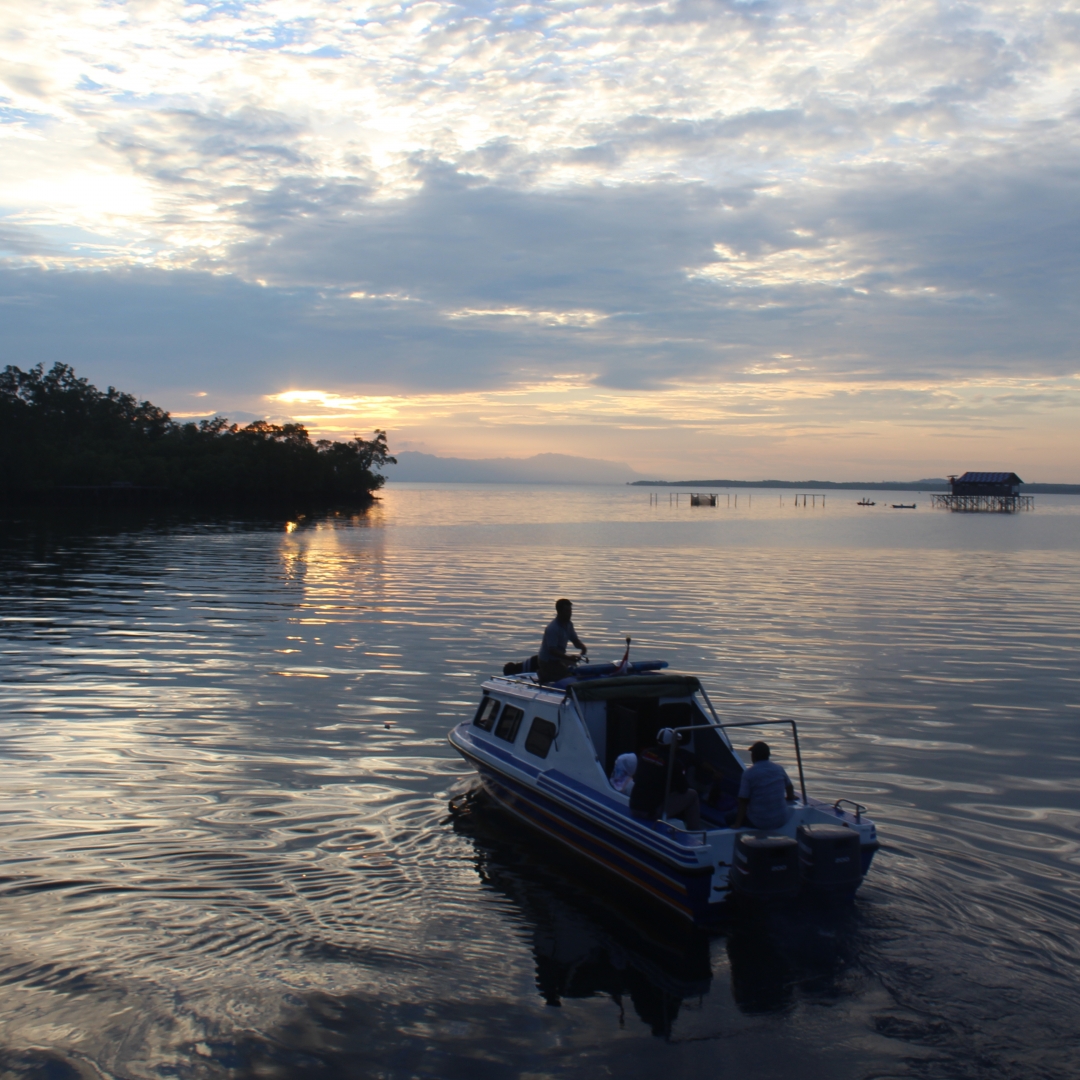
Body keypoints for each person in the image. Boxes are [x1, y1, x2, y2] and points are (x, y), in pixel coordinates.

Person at [629, 728, 702, 830]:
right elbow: (683, 789)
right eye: (677, 742)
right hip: (651, 812)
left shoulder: (646, 753)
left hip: (634, 806)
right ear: (672, 744)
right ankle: (695, 831)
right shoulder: (673, 763)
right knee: (692, 794)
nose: (678, 745)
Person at [732, 741, 795, 830]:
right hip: (782, 820)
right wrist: (790, 797)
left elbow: (743, 801)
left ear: (753, 756)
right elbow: (789, 787)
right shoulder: (779, 769)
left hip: (760, 822)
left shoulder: (748, 774)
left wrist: (737, 823)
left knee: (729, 817)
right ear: (768, 755)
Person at [537, 599, 587, 684]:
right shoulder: (553, 628)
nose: (570, 613)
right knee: (568, 675)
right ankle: (544, 674)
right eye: (567, 611)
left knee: (575, 668)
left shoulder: (569, 625)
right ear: (559, 612)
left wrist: (582, 647)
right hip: (547, 661)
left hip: (559, 659)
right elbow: (552, 651)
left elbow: (575, 640)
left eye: (570, 611)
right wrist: (568, 657)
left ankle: (554, 673)